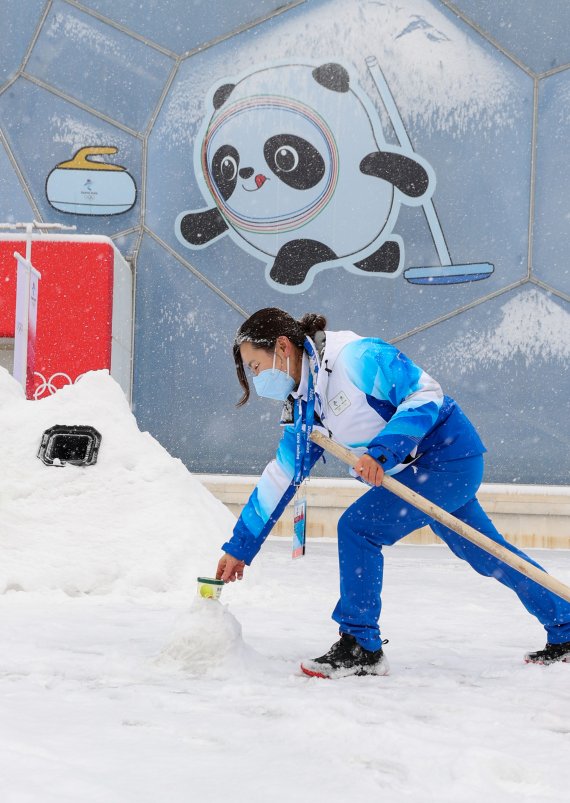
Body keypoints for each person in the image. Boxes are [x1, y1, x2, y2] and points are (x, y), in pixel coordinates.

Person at [216, 308, 570, 678]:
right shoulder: (305, 403)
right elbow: (281, 475)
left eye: (256, 367)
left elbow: (424, 393)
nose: (258, 380)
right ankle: (566, 622)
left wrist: (383, 451)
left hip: (445, 459)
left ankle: (361, 644)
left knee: (359, 528)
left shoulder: (355, 358)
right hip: (418, 472)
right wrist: (239, 548)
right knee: (486, 552)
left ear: (282, 347)